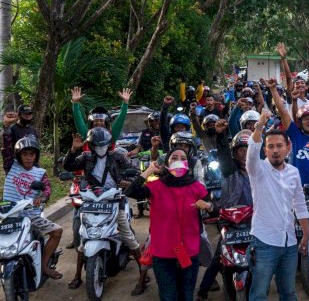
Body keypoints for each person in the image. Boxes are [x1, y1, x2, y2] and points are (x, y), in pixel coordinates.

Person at [63, 127, 145, 293]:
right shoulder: (85, 157)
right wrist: (73, 149)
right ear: (91, 145)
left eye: (103, 145)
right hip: (92, 201)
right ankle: (78, 275)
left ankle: (143, 274)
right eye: (96, 145)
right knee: (83, 237)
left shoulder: (118, 157)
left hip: (115, 200)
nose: (100, 148)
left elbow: (136, 172)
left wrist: (127, 181)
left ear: (109, 145)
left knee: (128, 236)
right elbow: (68, 166)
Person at [125, 149, 213, 301]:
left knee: (186, 295)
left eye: (183, 158)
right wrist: (149, 170)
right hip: (162, 253)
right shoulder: (155, 187)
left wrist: (208, 206)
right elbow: (131, 191)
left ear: (188, 165)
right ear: (166, 164)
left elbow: (215, 209)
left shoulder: (196, 187)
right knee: (168, 296)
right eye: (174, 157)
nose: (179, 160)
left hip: (189, 252)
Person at [246, 109, 309, 301]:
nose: (275, 150)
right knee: (259, 294)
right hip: (264, 242)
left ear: (287, 148)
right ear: (265, 150)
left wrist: (306, 234)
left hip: (289, 243)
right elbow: (251, 153)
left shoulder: (293, 172)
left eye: (279, 146)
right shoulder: (258, 170)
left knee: (289, 292)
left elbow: (300, 204)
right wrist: (260, 126)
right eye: (270, 146)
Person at [197, 125, 252, 301]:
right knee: (220, 259)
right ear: (234, 154)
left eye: (249, 150)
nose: (244, 154)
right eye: (240, 151)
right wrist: (221, 135)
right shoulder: (230, 170)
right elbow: (223, 156)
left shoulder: (260, 171)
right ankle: (202, 292)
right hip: (230, 223)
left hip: (255, 223)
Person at [2, 137, 63, 279]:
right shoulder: (11, 165)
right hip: (8, 216)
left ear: (36, 156)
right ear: (18, 155)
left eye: (32, 154)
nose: (28, 158)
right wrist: (6, 128)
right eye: (25, 154)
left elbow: (47, 190)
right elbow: (6, 150)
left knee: (57, 231)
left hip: (31, 216)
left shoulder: (40, 173)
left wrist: (42, 198)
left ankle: (43, 266)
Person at [2, 105, 38, 174]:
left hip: (33, 168)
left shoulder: (32, 129)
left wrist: (38, 167)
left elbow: (36, 149)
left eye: (30, 113)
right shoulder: (12, 129)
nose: (28, 116)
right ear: (18, 115)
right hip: (18, 169)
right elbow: (7, 150)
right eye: (25, 114)